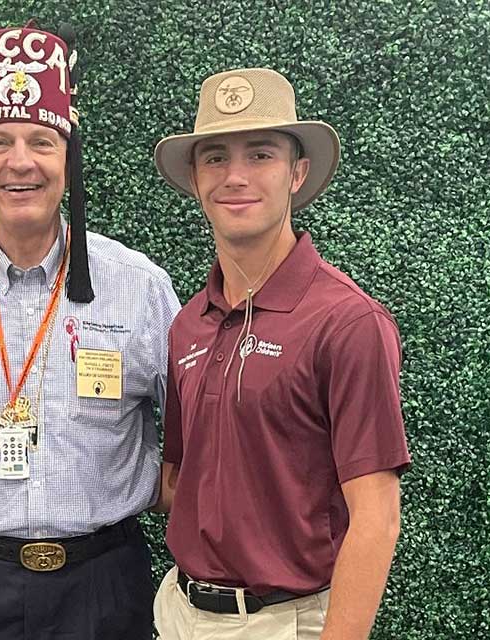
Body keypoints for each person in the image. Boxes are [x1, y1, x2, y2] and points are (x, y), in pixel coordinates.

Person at [0, 24, 179, 640]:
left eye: (41, 141)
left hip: (105, 585)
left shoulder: (140, 287)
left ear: (67, 159)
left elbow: (195, 438)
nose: (20, 162)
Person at [151, 68, 411, 640]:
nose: (235, 176)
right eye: (215, 157)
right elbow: (177, 481)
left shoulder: (347, 321)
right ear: (195, 179)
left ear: (297, 172)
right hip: (179, 612)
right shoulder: (188, 324)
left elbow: (377, 518)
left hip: (285, 622)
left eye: (261, 154)